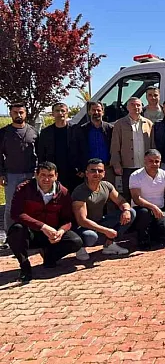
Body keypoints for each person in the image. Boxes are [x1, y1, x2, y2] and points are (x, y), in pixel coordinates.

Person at [6, 162, 82, 282]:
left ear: (56, 176)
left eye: (50, 175)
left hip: (52, 234)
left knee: (76, 241)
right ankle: (25, 267)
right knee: (16, 230)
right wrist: (43, 227)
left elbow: (67, 219)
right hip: (30, 233)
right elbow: (16, 213)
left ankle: (50, 258)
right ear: (36, 175)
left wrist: (61, 231)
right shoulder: (23, 189)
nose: (46, 179)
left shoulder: (63, 192)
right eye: (43, 175)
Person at [72, 159, 134, 260]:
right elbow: (81, 220)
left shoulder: (106, 186)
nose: (96, 173)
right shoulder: (80, 191)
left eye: (100, 171)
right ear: (86, 173)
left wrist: (126, 210)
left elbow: (122, 201)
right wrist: (106, 231)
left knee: (131, 212)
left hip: (100, 221)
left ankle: (109, 245)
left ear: (104, 173)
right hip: (83, 228)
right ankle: (80, 248)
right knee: (90, 236)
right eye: (93, 170)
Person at [0, 102, 39, 239]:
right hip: (11, 174)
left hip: (31, 174)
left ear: (25, 113)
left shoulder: (33, 131)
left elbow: (39, 153)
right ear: (10, 113)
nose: (18, 115)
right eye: (15, 112)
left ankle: (30, 235)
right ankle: (10, 236)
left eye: (21, 112)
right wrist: (1, 173)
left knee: (31, 205)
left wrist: (38, 173)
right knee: (11, 206)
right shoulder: (3, 133)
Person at [110, 97, 155, 201]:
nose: (136, 107)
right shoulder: (119, 124)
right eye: (133, 105)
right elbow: (115, 146)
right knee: (128, 194)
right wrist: (116, 164)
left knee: (145, 194)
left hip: (145, 166)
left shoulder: (148, 123)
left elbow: (153, 146)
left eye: (138, 105)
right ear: (127, 107)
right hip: (127, 167)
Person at [37, 103, 80, 191]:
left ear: (67, 113)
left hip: (74, 172)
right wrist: (41, 170)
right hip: (53, 171)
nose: (60, 113)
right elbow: (41, 153)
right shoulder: (45, 132)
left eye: (63, 111)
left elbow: (83, 149)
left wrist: (82, 168)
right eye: (57, 111)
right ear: (53, 114)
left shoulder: (76, 130)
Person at [72, 102, 114, 188]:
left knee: (109, 194)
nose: (96, 112)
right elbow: (76, 150)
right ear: (89, 112)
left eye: (98, 110)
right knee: (91, 195)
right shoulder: (81, 130)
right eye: (93, 110)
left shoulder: (111, 129)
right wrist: (79, 168)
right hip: (90, 169)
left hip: (107, 168)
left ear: (103, 112)